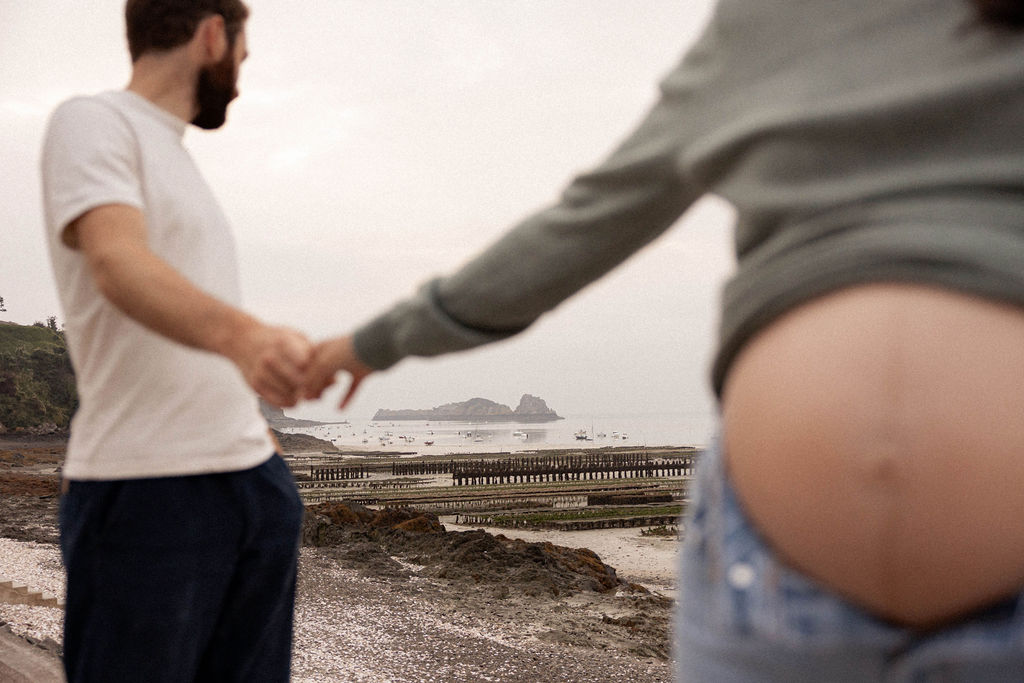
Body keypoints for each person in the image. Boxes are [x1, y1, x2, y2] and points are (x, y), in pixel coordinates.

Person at [303, 0, 1024, 680]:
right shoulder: (767, 18)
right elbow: (589, 220)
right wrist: (374, 341)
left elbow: (587, 222)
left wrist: (369, 344)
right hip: (765, 574)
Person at [40, 2, 309, 680]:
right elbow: (116, 261)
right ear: (213, 35)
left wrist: (260, 443)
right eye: (241, 57)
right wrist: (249, 337)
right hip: (147, 494)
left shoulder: (180, 162)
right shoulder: (93, 120)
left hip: (253, 487)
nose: (240, 78)